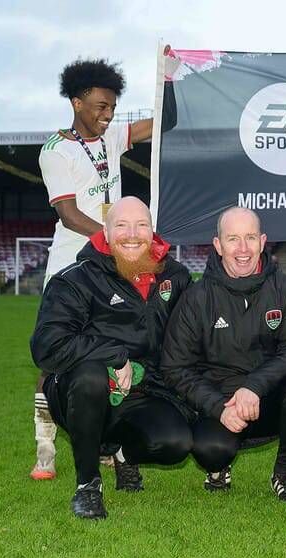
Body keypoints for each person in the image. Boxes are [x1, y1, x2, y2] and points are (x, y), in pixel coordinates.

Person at [31, 58, 157, 481]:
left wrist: (169, 77)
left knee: (115, 351)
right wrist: (113, 236)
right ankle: (44, 446)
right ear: (76, 101)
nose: (108, 116)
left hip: (112, 261)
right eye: (101, 107)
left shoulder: (112, 136)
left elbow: (158, 125)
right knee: (56, 357)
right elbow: (68, 214)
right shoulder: (56, 150)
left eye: (112, 108)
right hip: (72, 263)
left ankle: (109, 441)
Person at [30, 197, 194, 519]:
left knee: (177, 444)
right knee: (90, 376)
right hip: (83, 394)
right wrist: (114, 355)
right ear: (105, 231)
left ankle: (122, 451)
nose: (132, 234)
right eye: (121, 225)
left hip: (145, 393)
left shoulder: (175, 277)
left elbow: (193, 340)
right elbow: (47, 345)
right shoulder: (76, 279)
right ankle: (88, 485)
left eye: (141, 225)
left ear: (152, 230)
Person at [161, 207, 286, 506]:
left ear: (262, 242)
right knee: (211, 451)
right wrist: (218, 407)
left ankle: (284, 472)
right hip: (220, 403)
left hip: (268, 399)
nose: (243, 249)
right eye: (233, 239)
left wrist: (254, 386)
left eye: (250, 238)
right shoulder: (197, 298)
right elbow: (175, 367)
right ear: (218, 245)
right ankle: (219, 469)